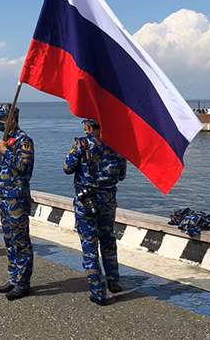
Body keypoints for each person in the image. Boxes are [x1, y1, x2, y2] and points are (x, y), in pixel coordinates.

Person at [63, 119, 127, 306]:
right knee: (108, 240)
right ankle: (113, 280)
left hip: (87, 201)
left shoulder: (81, 144)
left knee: (89, 245)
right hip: (108, 201)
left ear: (89, 126)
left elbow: (67, 168)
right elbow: (121, 175)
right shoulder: (118, 145)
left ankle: (98, 291)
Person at [0, 103, 34, 300]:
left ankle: (23, 283)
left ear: (12, 119)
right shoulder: (7, 141)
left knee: (20, 241)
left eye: (2, 119)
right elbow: (1, 172)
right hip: (4, 198)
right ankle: (13, 277)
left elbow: (23, 166)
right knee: (9, 241)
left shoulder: (23, 141)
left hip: (17, 199)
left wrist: (5, 151)